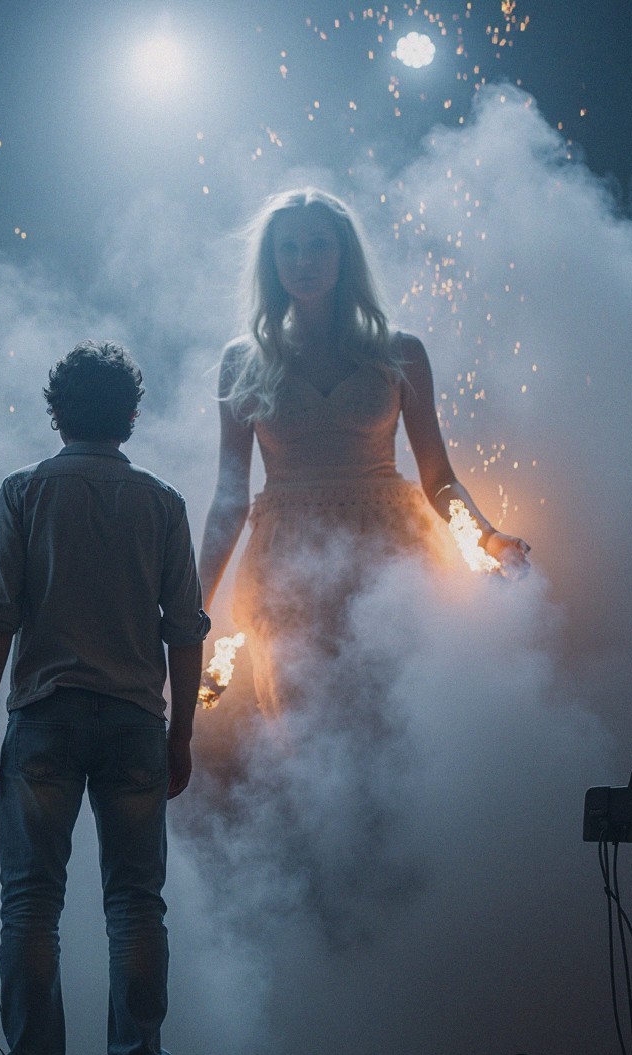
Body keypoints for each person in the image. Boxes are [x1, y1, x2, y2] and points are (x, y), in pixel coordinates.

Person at [0, 341, 209, 1055]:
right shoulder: (163, 504)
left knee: (33, 904)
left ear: (56, 410)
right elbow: (186, 630)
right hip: (138, 719)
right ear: (130, 416)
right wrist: (182, 737)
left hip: (46, 716)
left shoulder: (25, 492)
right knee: (136, 905)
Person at [198, 188, 529, 717]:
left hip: (391, 556)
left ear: (343, 254)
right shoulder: (243, 360)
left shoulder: (402, 352)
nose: (303, 261)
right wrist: (195, 605)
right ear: (271, 261)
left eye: (318, 246)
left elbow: (438, 476)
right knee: (303, 735)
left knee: (399, 729)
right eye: (288, 249)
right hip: (287, 563)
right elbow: (229, 495)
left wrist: (488, 538)